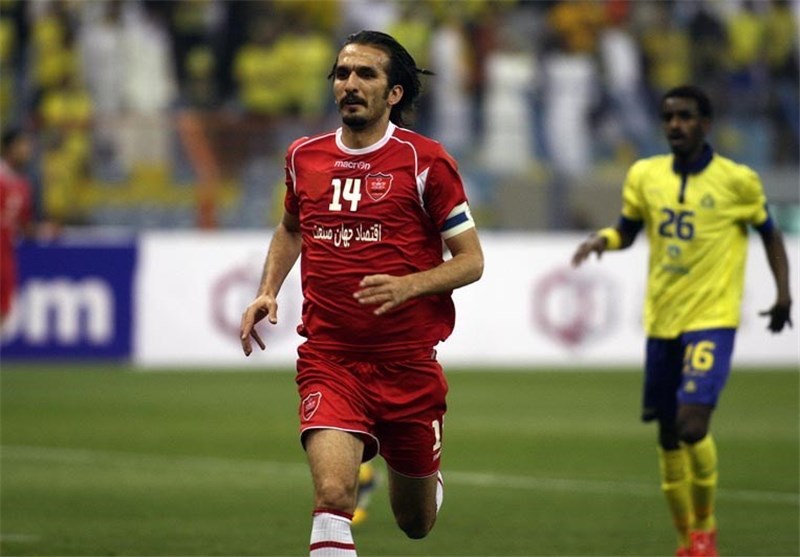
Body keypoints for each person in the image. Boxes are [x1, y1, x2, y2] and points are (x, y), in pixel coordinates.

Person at [239, 30, 484, 556]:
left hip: (408, 366)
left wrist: (410, 285)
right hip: (331, 359)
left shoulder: (425, 161)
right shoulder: (303, 156)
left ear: (394, 92)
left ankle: (425, 477)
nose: (350, 84)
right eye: (342, 73)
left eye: (366, 74)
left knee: (415, 522)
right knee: (333, 495)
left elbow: (471, 261)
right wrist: (267, 290)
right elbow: (291, 228)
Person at [572, 85, 792, 557]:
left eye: (686, 116)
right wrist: (603, 239)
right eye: (669, 117)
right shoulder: (645, 175)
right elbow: (629, 229)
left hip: (712, 317)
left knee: (692, 425)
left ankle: (705, 529)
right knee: (669, 436)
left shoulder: (737, 181)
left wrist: (783, 293)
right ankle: (685, 541)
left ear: (705, 123)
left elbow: (771, 234)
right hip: (663, 320)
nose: (676, 124)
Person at [0, 128, 35, 325]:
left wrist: (42, 231)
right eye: (22, 145)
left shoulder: (22, 185)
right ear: (9, 148)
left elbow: (23, 226)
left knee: (4, 312)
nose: (26, 150)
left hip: (6, 255)